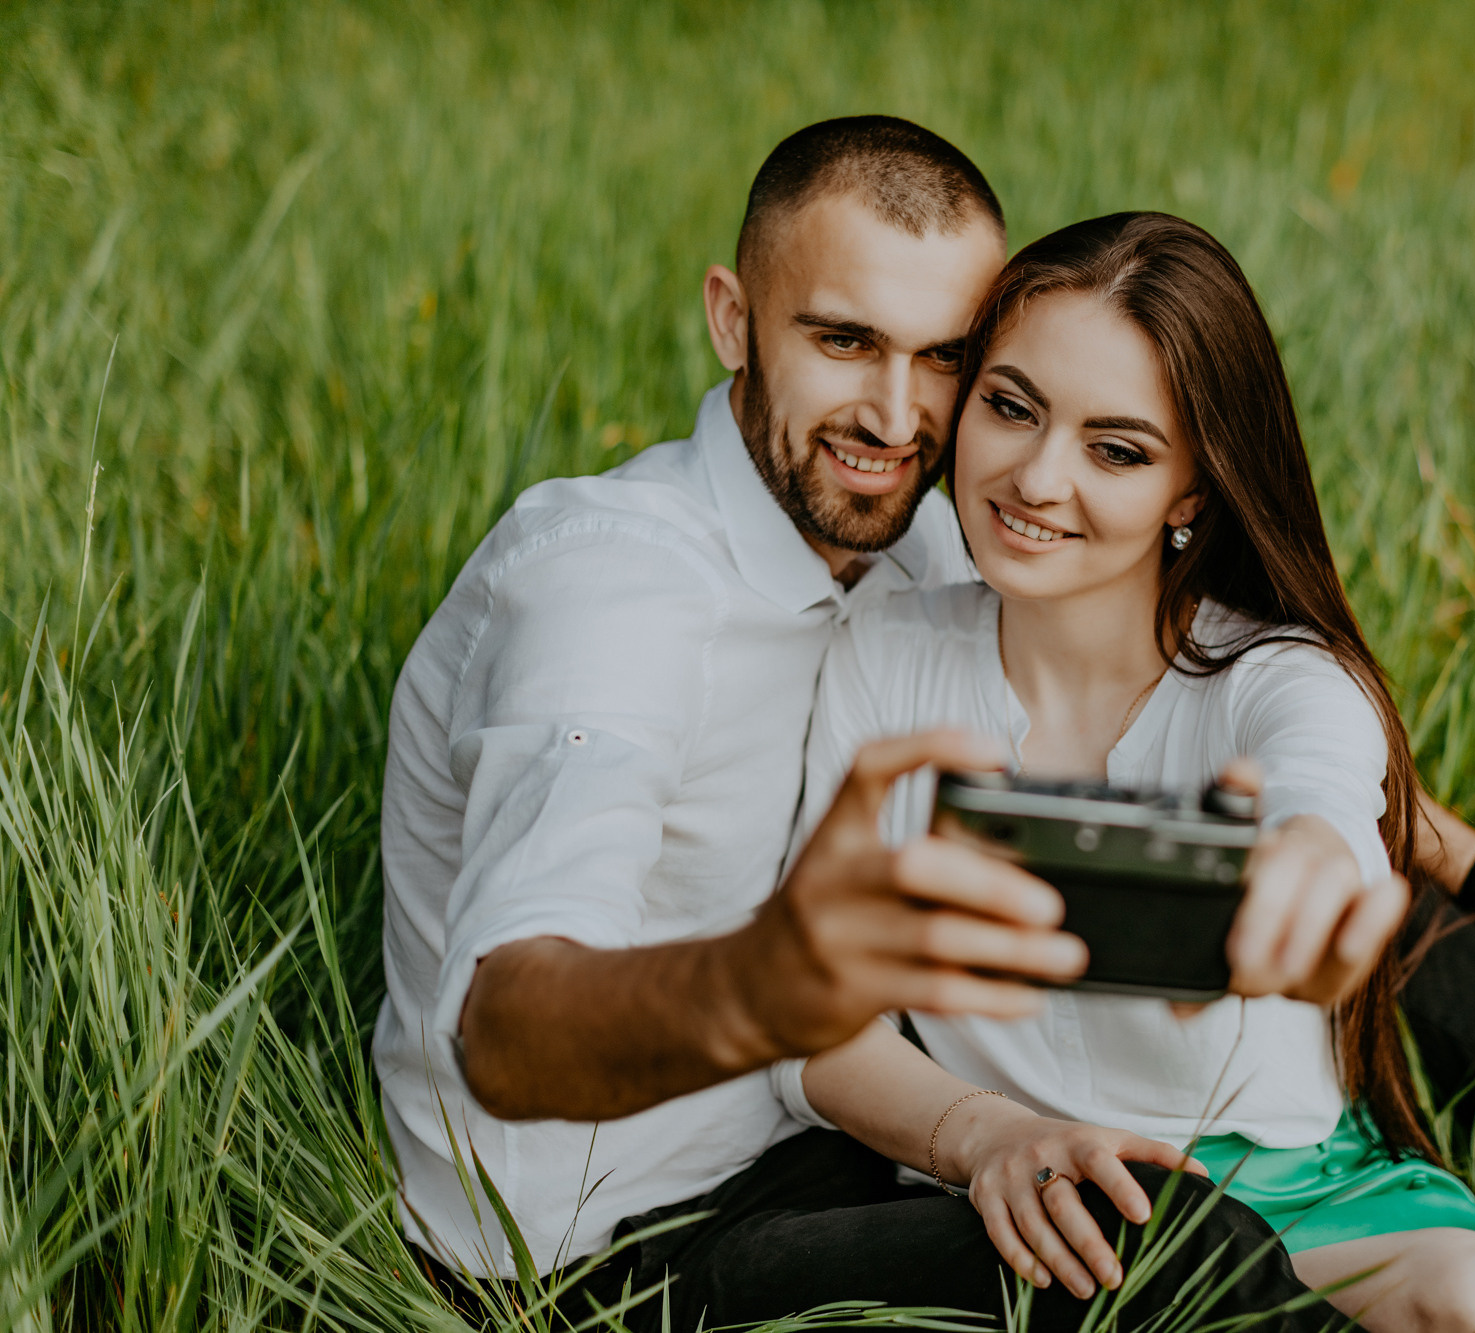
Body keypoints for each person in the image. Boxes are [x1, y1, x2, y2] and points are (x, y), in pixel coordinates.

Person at [373, 116, 1328, 1330]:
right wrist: (761, 986)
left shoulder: (920, 525)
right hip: (607, 1251)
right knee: (1159, 1246)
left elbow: (1232, 690)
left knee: (1425, 972)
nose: (892, 417)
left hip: (848, 1136)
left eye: (942, 358)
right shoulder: (610, 597)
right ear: (733, 319)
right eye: (842, 340)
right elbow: (501, 1028)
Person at [783, 211, 1475, 1332]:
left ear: (1193, 493)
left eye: (1116, 449)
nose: (1034, 476)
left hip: (1312, 1185)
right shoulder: (879, 657)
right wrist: (988, 1136)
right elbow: (820, 1022)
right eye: (1010, 407)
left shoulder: (1278, 676)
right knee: (1468, 1291)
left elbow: (1328, 802)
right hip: (1088, 1210)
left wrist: (1309, 871)